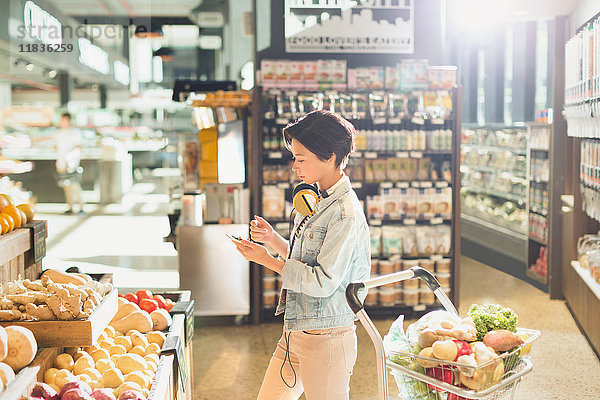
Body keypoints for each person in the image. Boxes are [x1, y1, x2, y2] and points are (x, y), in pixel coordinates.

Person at [234, 110, 371, 400]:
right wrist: (272, 240)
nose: (294, 165)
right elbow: (305, 259)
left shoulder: (345, 214)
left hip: (328, 340)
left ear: (330, 156)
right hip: (296, 331)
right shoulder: (316, 196)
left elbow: (322, 281)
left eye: (301, 158)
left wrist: (266, 261)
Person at [54, 112, 85, 215]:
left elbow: (79, 147)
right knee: (66, 185)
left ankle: (81, 207)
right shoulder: (59, 132)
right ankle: (70, 207)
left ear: (67, 119)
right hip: (61, 163)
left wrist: (69, 157)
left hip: (72, 163)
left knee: (74, 185)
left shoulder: (75, 132)